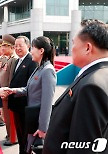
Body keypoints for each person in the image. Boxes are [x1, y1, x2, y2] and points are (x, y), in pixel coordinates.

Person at [43, 19, 108, 154]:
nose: (71, 48)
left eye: (73, 43)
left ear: (87, 48)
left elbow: (84, 146)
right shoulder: (100, 74)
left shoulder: (91, 86)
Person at [7, 36, 56, 153]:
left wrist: (43, 128)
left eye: (33, 48)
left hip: (37, 120)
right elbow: (28, 89)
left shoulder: (48, 70)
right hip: (31, 118)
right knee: (27, 147)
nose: (31, 51)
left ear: (41, 51)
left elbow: (47, 103)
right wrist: (14, 91)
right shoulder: (40, 68)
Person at [8, 36, 37, 154]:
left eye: (21, 45)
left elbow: (32, 87)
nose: (17, 48)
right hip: (16, 105)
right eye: (16, 46)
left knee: (26, 138)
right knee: (21, 137)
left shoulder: (32, 61)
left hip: (25, 107)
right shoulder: (17, 61)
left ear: (28, 46)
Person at [0, 34, 18, 146]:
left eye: (5, 46)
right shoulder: (8, 59)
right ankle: (9, 134)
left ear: (11, 47)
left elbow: (10, 79)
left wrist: (7, 92)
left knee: (10, 117)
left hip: (7, 93)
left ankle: (12, 137)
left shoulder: (13, 60)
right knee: (6, 116)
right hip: (3, 92)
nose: (2, 48)